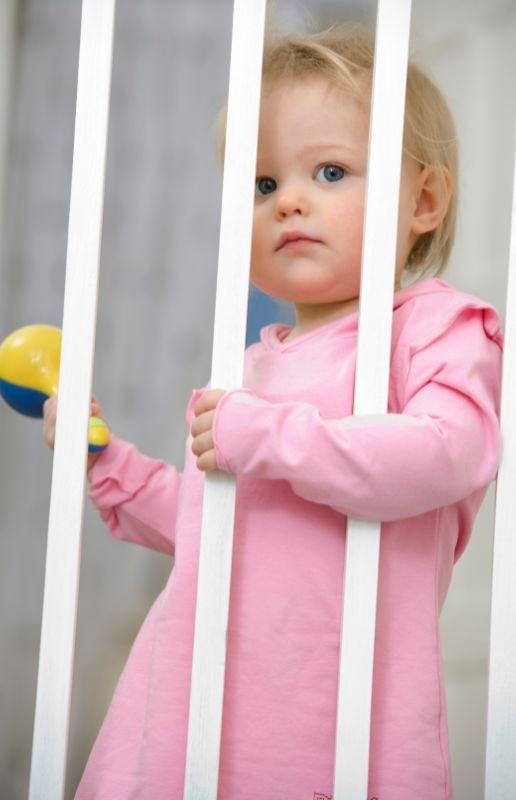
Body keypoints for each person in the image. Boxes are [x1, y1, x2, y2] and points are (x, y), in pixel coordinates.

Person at [43, 24, 502, 800]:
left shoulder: (433, 327)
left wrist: (267, 435)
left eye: (330, 170)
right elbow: (218, 520)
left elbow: (446, 452)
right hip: (199, 690)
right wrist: (108, 464)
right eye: (261, 185)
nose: (288, 200)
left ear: (423, 199)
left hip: (329, 706)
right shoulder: (255, 361)